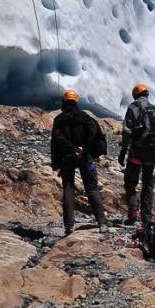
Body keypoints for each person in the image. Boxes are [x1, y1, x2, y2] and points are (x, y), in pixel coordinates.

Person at [51, 89, 108, 235]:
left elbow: (57, 141)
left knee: (68, 190)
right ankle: (102, 223)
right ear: (76, 102)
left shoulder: (59, 120)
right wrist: (85, 148)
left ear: (64, 102)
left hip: (67, 158)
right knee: (92, 188)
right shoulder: (85, 117)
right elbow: (95, 134)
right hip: (86, 157)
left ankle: (69, 226)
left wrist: (58, 162)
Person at [118, 83, 155, 227]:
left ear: (135, 94)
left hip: (137, 152)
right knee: (148, 186)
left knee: (130, 183)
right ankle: (147, 220)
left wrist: (124, 150)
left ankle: (133, 214)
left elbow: (127, 130)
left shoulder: (133, 107)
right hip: (152, 154)